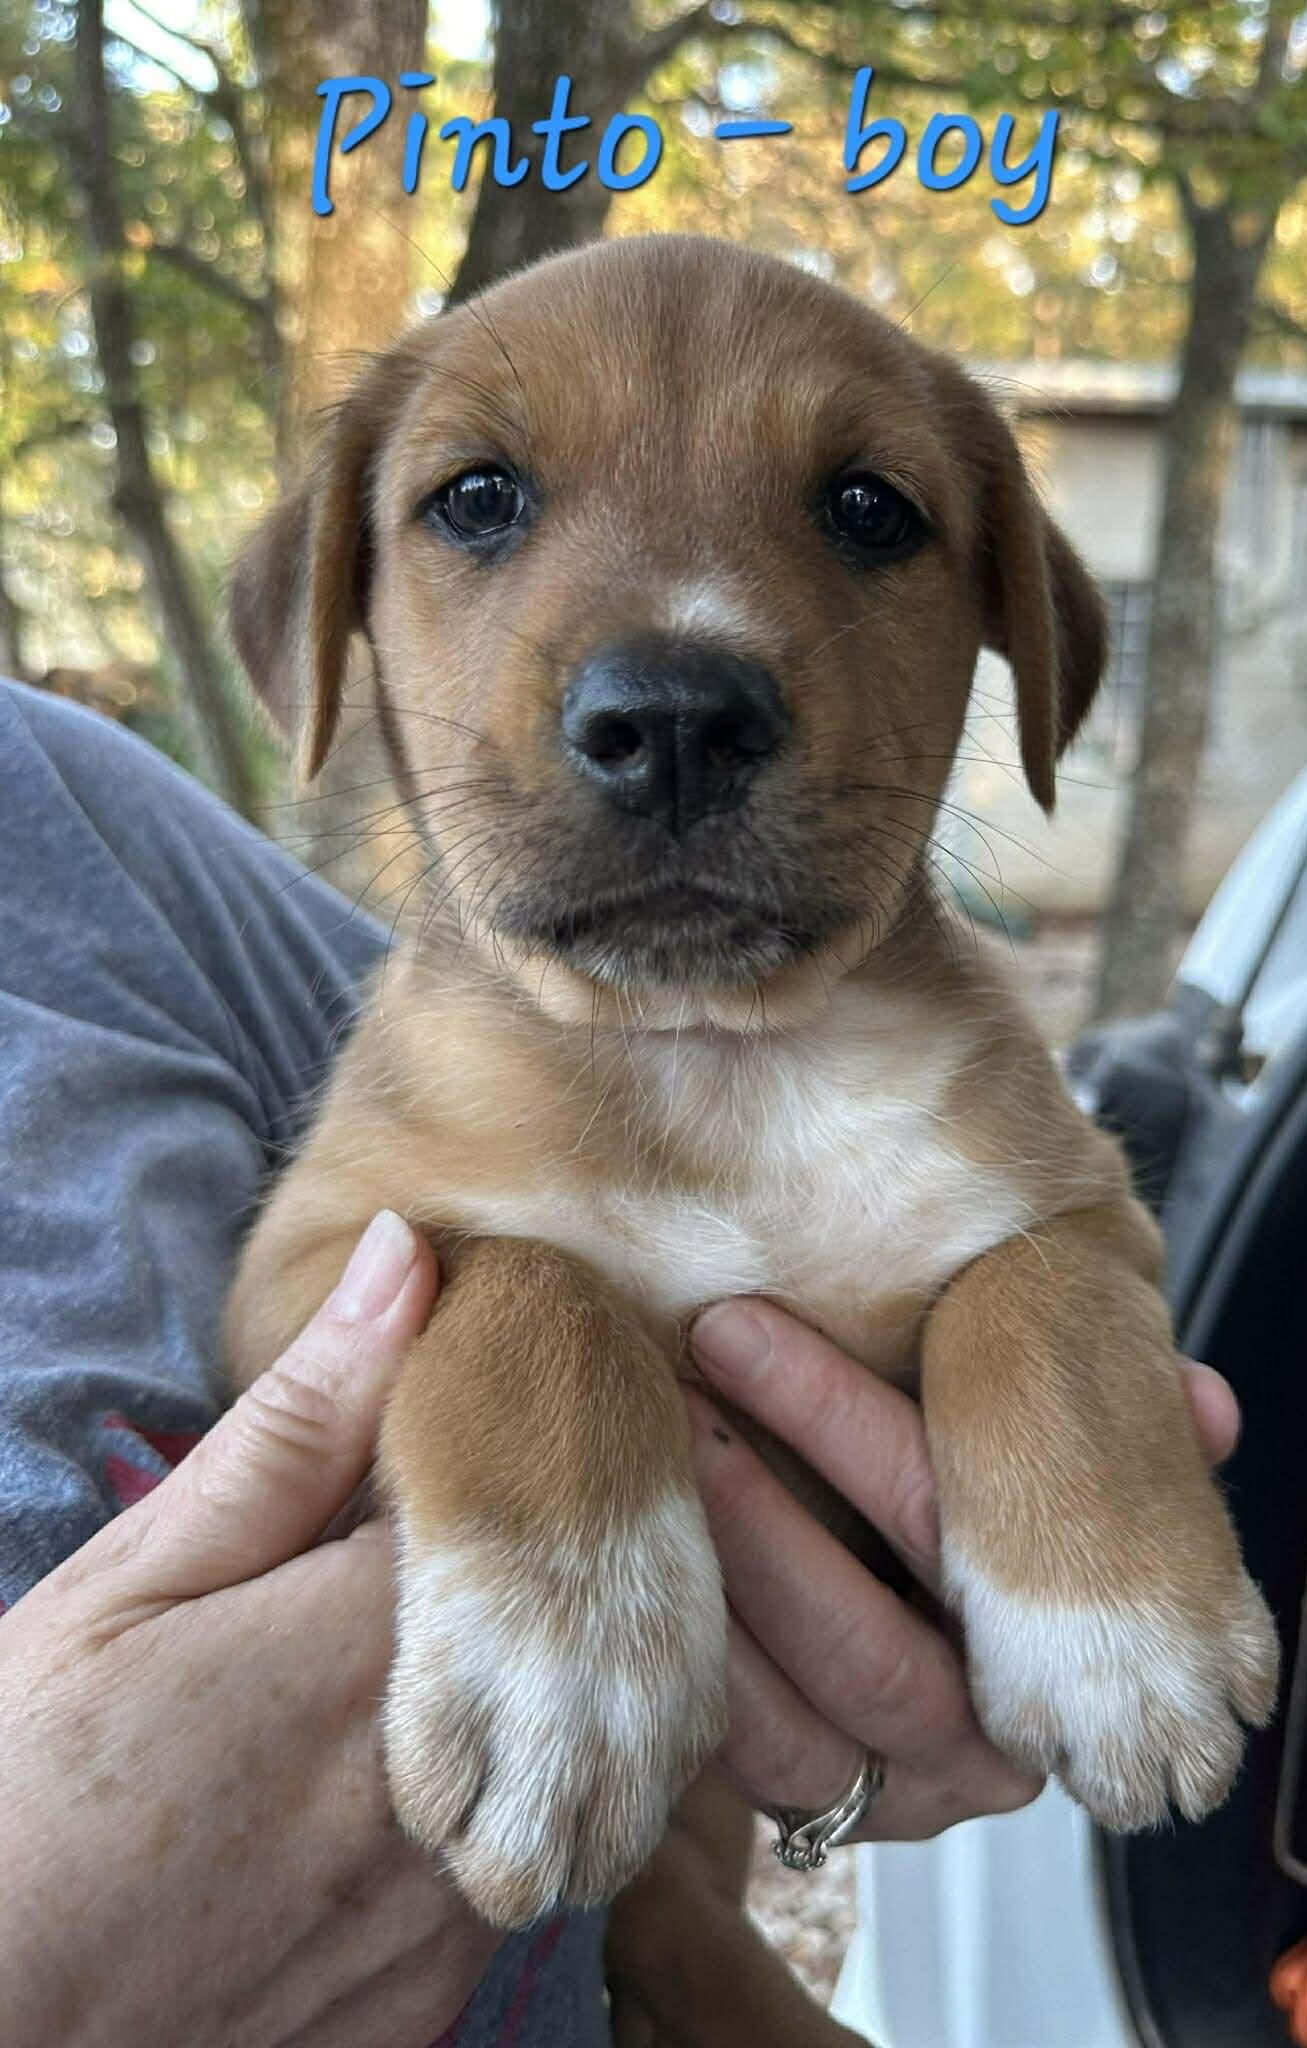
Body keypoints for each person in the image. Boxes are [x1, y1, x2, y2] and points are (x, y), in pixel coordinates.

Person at [0, 679, 1240, 2047]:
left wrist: (1053, 1390)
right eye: (485, 542)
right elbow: (319, 1281)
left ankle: (677, 1936)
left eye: (865, 547)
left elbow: (351, 1270)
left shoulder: (61, 809)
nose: (671, 684)